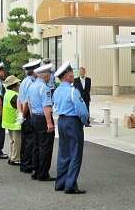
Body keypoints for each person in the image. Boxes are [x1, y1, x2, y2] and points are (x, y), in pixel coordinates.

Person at [53, 61, 89, 194]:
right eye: (71, 74)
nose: (73, 75)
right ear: (67, 76)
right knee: (75, 154)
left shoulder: (56, 91)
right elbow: (82, 111)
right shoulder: (73, 91)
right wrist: (84, 121)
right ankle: (70, 185)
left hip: (62, 121)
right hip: (73, 122)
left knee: (64, 153)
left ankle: (60, 183)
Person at [27, 63, 56, 181]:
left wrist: (32, 116)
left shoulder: (31, 86)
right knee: (45, 147)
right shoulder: (44, 88)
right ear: (46, 76)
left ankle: (35, 169)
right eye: (49, 75)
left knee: (36, 145)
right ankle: (43, 173)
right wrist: (49, 123)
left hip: (34, 116)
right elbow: (46, 107)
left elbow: (29, 104)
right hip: (43, 117)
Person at [17, 60, 41, 174]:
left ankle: (23, 163)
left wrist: (20, 113)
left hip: (23, 112)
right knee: (30, 140)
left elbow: (19, 99)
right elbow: (26, 101)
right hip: (28, 112)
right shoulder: (31, 83)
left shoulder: (24, 82)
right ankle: (28, 164)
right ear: (35, 72)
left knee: (25, 139)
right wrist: (25, 113)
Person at [1, 76, 21, 166]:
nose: (19, 85)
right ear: (14, 85)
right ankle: (16, 158)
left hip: (8, 121)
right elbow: (19, 107)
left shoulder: (7, 93)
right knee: (17, 141)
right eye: (17, 83)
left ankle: (11, 155)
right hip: (15, 121)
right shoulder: (14, 95)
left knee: (12, 140)